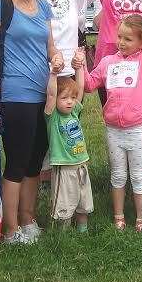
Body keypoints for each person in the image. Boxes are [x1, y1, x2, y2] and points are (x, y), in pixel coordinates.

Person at [0, 0, 64, 245]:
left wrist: (56, 57)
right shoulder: (2, 4)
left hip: (43, 94)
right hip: (15, 94)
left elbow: (49, 45)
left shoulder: (44, 6)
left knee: (34, 160)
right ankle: (10, 228)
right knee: (17, 161)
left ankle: (28, 219)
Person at [81, 0, 142, 231]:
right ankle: (119, 216)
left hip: (137, 129)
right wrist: (80, 66)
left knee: (139, 176)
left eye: (128, 39)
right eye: (119, 37)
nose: (121, 42)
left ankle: (141, 218)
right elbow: (89, 85)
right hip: (113, 131)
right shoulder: (108, 62)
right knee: (118, 175)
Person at [44, 56, 91, 232]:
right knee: (64, 201)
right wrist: (54, 74)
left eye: (71, 98)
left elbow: (79, 89)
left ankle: (82, 228)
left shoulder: (74, 113)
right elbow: (51, 94)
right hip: (63, 166)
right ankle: (62, 233)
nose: (70, 101)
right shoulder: (53, 116)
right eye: (64, 98)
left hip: (81, 164)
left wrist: (79, 67)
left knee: (83, 199)